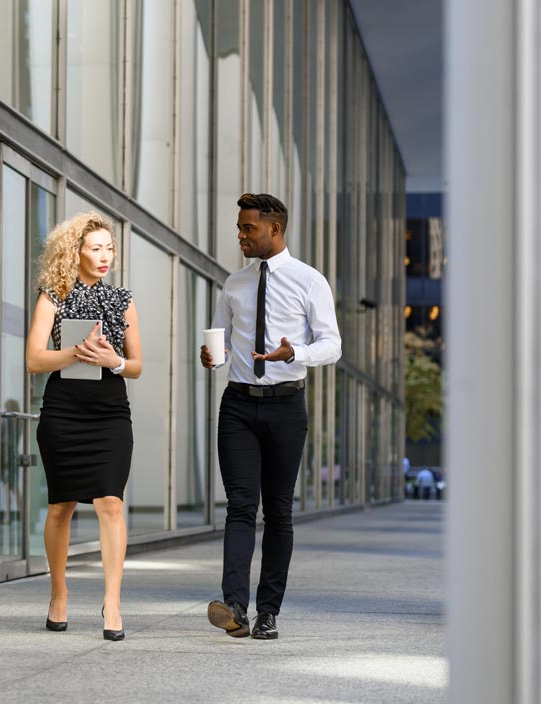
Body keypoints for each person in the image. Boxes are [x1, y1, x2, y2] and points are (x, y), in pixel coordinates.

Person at [200, 194, 341, 640]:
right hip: (238, 405)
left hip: (285, 405)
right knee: (240, 506)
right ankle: (235, 606)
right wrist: (212, 357)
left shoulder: (309, 281)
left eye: (248, 229)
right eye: (240, 227)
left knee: (278, 510)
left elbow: (332, 344)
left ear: (274, 230)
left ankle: (269, 611)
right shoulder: (234, 283)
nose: (240, 235)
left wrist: (294, 351)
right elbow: (221, 344)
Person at [25, 211, 142, 641]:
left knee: (110, 501)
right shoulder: (53, 295)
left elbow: (138, 366)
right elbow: (34, 360)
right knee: (62, 506)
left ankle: (112, 602)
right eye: (95, 248)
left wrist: (115, 362)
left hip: (110, 413)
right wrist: (77, 352)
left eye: (109, 248)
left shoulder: (122, 299)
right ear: (74, 251)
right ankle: (59, 593)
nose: (105, 255)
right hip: (64, 411)